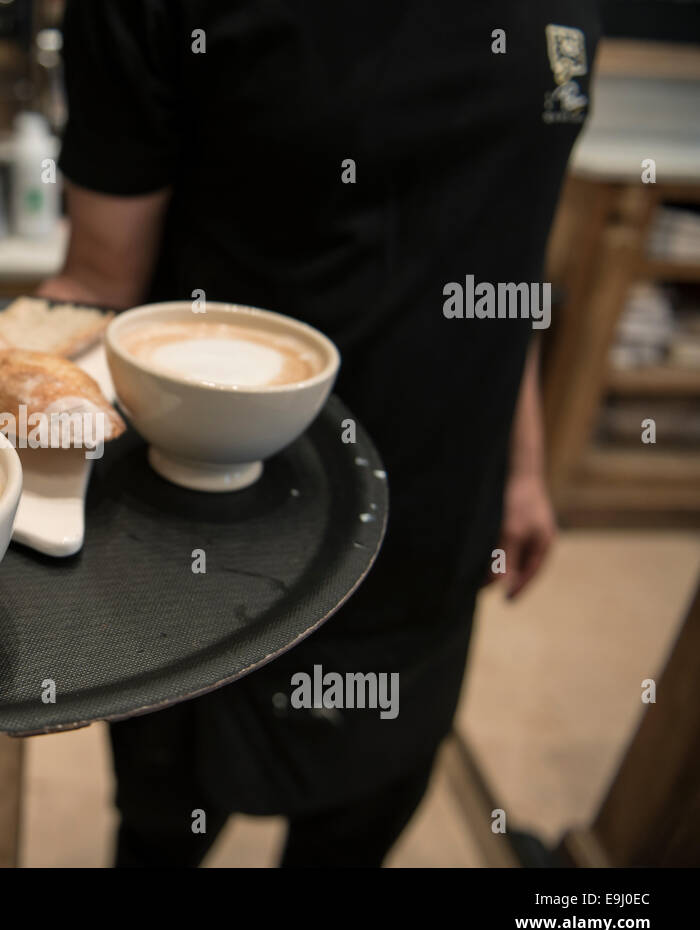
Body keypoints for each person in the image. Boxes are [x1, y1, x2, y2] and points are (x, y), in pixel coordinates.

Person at [37, 0, 599, 866]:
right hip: (206, 541)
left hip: (434, 524)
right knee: (163, 829)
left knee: (360, 827)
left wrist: (523, 466)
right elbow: (97, 280)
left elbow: (501, 245)